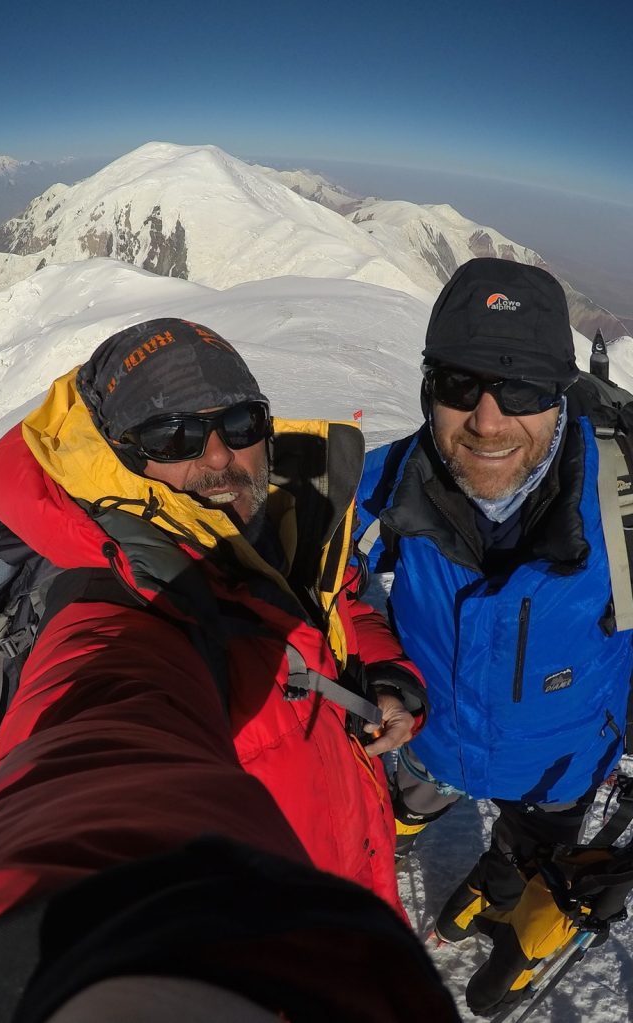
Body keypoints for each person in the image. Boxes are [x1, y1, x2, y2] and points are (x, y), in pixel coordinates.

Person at [0, 318, 453, 1023]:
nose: (220, 455)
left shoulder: (270, 517)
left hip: (340, 889)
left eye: (239, 422)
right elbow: (100, 732)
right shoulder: (115, 599)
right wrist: (83, 951)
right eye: (172, 436)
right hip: (266, 956)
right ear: (120, 455)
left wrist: (385, 674)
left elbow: (336, 598)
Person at [355, 257, 633, 1016]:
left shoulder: (623, 500)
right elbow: (313, 564)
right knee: (416, 796)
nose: (487, 419)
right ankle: (418, 833)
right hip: (432, 742)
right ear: (428, 388)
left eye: (523, 388)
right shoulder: (388, 481)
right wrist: (380, 663)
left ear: (561, 394)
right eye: (460, 384)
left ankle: (503, 884)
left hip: (559, 770)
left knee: (525, 848)